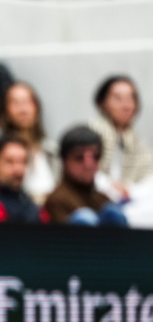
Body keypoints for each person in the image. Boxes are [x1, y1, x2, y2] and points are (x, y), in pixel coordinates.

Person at [89, 76, 153, 228]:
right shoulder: (91, 134)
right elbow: (84, 173)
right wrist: (110, 185)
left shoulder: (135, 139)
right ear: (102, 103)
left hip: (132, 203)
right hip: (98, 203)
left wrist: (130, 190)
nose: (126, 105)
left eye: (131, 99)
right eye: (118, 99)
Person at [44, 125, 128, 227]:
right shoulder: (56, 201)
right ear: (64, 161)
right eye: (79, 157)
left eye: (96, 156)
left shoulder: (103, 199)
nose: (89, 164)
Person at [0, 82, 57, 205]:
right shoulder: (0, 149)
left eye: (27, 102)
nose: (23, 109)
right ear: (5, 110)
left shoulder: (50, 148)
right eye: (15, 103)